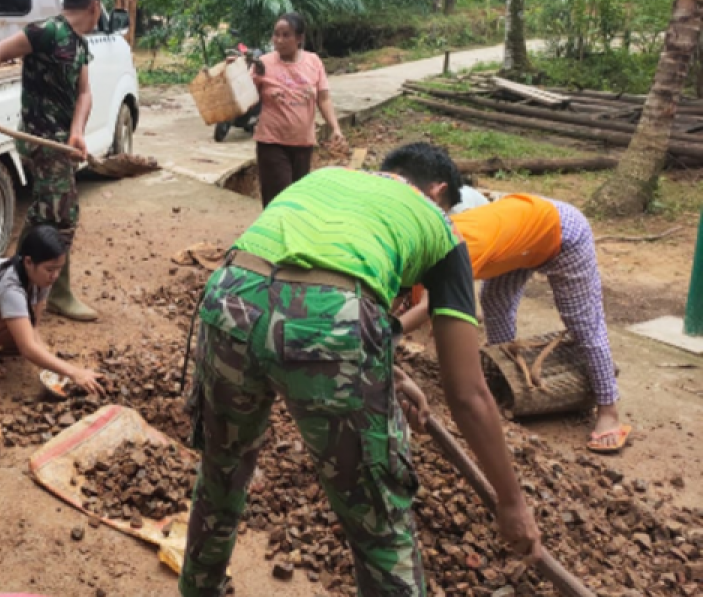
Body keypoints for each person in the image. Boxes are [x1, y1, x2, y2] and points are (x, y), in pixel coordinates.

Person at [180, 142, 541, 597]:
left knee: (221, 471)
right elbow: (467, 394)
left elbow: (304, 277)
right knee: (380, 524)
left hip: (229, 294)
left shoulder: (327, 178)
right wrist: (512, 503)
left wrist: (384, 370)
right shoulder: (442, 228)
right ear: (438, 190)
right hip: (330, 323)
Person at [396, 193, 628, 452]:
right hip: (517, 240)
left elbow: (430, 306)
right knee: (495, 301)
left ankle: (609, 410)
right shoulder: (412, 247)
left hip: (561, 231)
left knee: (583, 322)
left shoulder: (446, 252)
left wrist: (384, 334)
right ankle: (504, 377)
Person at [0, 0, 101, 322]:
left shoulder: (80, 45)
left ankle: (9, 281)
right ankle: (56, 292)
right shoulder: (46, 32)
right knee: (64, 214)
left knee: (45, 211)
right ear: (95, 6)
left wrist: (77, 133)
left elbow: (85, 92)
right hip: (40, 140)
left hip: (61, 143)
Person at [0, 224, 107, 393]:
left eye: (58, 269)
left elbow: (34, 325)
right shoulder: (10, 289)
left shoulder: (41, 276)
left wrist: (49, 361)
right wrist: (74, 373)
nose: (55, 276)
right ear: (28, 261)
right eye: (50, 269)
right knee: (16, 326)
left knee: (23, 324)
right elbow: (27, 348)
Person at [251, 12, 346, 207]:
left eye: (286, 35)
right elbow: (243, 94)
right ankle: (274, 236)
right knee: (280, 199)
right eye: (276, 34)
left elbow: (324, 98)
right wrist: (235, 68)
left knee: (297, 199)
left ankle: (289, 237)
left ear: (300, 38)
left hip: (303, 144)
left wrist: (335, 128)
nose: (279, 40)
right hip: (272, 142)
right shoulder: (264, 64)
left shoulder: (313, 62)